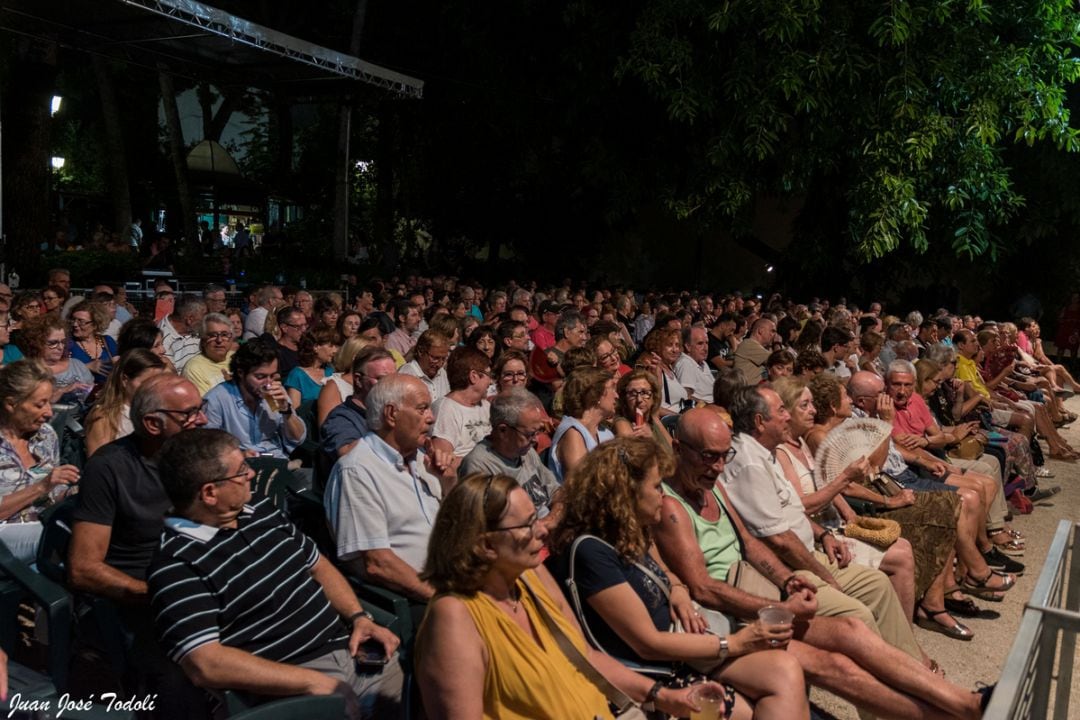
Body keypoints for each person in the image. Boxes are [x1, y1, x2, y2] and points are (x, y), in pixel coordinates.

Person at [654, 408, 990, 719]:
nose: (718, 467)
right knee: (837, 666)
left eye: (724, 456)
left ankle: (965, 702)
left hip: (751, 597)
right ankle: (957, 712)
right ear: (678, 447)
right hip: (725, 622)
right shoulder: (671, 507)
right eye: (708, 456)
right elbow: (703, 587)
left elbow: (749, 543)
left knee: (853, 631)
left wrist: (788, 581)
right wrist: (781, 606)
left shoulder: (711, 488)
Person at [415, 474, 718, 720]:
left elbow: (585, 656)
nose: (542, 531)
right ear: (485, 545)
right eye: (525, 525)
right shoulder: (454, 616)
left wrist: (664, 697)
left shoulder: (530, 577)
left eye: (537, 518)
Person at [547, 436, 810, 719]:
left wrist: (677, 588)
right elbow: (647, 644)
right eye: (656, 485)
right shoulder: (591, 552)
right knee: (740, 707)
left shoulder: (628, 532)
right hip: (655, 677)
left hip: (685, 654)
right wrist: (736, 643)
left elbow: (665, 572)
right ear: (627, 492)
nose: (663, 494)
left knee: (786, 668)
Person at [149, 428, 403, 719]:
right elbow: (204, 663)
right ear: (209, 493)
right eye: (241, 470)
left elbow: (316, 564)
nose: (252, 475)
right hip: (290, 685)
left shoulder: (259, 510)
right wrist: (312, 682)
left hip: (352, 650)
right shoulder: (176, 564)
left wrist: (358, 617)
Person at [770, 376, 921, 632]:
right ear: (785, 411)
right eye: (804, 406)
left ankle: (906, 633)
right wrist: (851, 481)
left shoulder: (802, 443)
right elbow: (801, 506)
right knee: (902, 554)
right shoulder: (783, 451)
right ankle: (904, 640)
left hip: (830, 526)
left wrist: (849, 513)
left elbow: (834, 480)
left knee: (906, 542)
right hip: (816, 537)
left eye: (812, 404)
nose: (813, 410)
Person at [324, 375, 445, 602]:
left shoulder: (421, 460)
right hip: (421, 598)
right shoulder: (357, 471)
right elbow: (377, 564)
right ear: (391, 414)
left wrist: (448, 480)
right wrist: (446, 600)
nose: (431, 417)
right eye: (422, 409)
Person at [0, 361, 80, 562]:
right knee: (73, 537)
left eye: (49, 402)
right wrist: (42, 486)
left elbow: (52, 495)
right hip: (6, 532)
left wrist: (71, 493)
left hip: (44, 520)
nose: (49, 413)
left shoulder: (45, 435)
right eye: (39, 404)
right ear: (11, 404)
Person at [460, 389, 562, 524]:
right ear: (503, 430)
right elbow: (488, 527)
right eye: (530, 434)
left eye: (539, 431)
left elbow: (559, 494)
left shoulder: (526, 451)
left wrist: (550, 521)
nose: (536, 440)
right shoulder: (479, 467)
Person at [204, 338, 306, 459]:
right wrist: (240, 456)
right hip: (239, 465)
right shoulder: (216, 399)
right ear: (241, 373)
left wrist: (286, 411)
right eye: (260, 377)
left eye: (272, 376)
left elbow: (298, 439)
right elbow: (208, 448)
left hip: (277, 460)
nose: (268, 383)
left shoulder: (276, 394)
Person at [84, 350, 169, 456]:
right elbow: (99, 465)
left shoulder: (159, 411)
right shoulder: (104, 417)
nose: (152, 389)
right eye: (145, 383)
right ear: (125, 380)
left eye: (157, 383)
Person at [321, 347, 397, 459]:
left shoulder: (393, 412)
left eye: (393, 379)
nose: (390, 385)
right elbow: (345, 454)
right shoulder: (341, 418)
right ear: (358, 380)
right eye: (382, 379)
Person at [548, 367, 617, 483]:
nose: (617, 395)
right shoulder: (572, 432)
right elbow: (582, 483)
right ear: (596, 394)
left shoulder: (606, 433)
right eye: (612, 388)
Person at [431, 347, 493, 464]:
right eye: (488, 374)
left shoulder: (485, 406)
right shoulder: (445, 409)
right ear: (474, 376)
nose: (491, 382)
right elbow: (444, 463)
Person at [21, 317, 93, 402]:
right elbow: (30, 404)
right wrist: (62, 391)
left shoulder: (77, 365)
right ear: (36, 343)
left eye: (63, 342)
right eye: (53, 343)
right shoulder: (28, 371)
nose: (60, 347)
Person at [612, 368, 673, 449]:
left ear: (654, 397)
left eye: (644, 393)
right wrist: (651, 441)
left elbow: (674, 451)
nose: (639, 399)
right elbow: (635, 457)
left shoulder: (652, 419)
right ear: (624, 398)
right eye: (632, 394)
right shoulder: (622, 424)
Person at [181, 313, 236, 397]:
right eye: (212, 335)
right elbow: (208, 406)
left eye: (224, 335)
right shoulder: (194, 369)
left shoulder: (236, 358)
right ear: (202, 340)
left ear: (231, 338)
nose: (219, 340)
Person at [285, 328, 338, 407]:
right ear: (316, 347)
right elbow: (295, 411)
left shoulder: (331, 371)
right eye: (330, 346)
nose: (335, 350)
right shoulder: (297, 375)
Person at [399, 330, 451, 402]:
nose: (439, 364)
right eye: (435, 358)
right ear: (420, 351)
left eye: (443, 359)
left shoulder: (442, 372)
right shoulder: (406, 374)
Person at [158, 297, 207, 374]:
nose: (205, 319)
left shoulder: (194, 328)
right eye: (203, 315)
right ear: (190, 319)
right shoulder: (162, 339)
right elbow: (171, 375)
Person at [676, 325, 716, 403]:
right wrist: (708, 406)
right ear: (688, 346)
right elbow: (686, 397)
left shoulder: (702, 362)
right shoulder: (686, 364)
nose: (705, 348)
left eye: (707, 343)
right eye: (700, 343)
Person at [733, 318, 776, 385]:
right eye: (772, 331)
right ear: (761, 331)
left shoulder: (756, 346)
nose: (774, 335)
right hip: (746, 393)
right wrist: (777, 343)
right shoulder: (748, 344)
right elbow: (779, 359)